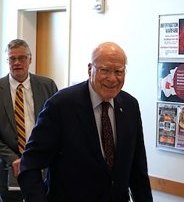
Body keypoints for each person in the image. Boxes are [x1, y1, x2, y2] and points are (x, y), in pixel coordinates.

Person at [18, 42, 153, 202]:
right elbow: (30, 165)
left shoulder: (130, 106)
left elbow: (138, 171)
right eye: (105, 70)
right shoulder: (61, 106)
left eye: (118, 71)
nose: (112, 78)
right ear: (90, 69)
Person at [0, 39, 58, 202]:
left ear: (30, 59)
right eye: (12, 59)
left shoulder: (47, 85)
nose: (17, 63)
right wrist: (13, 159)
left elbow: (58, 125)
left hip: (42, 167)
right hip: (7, 169)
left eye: (22, 58)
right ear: (7, 61)